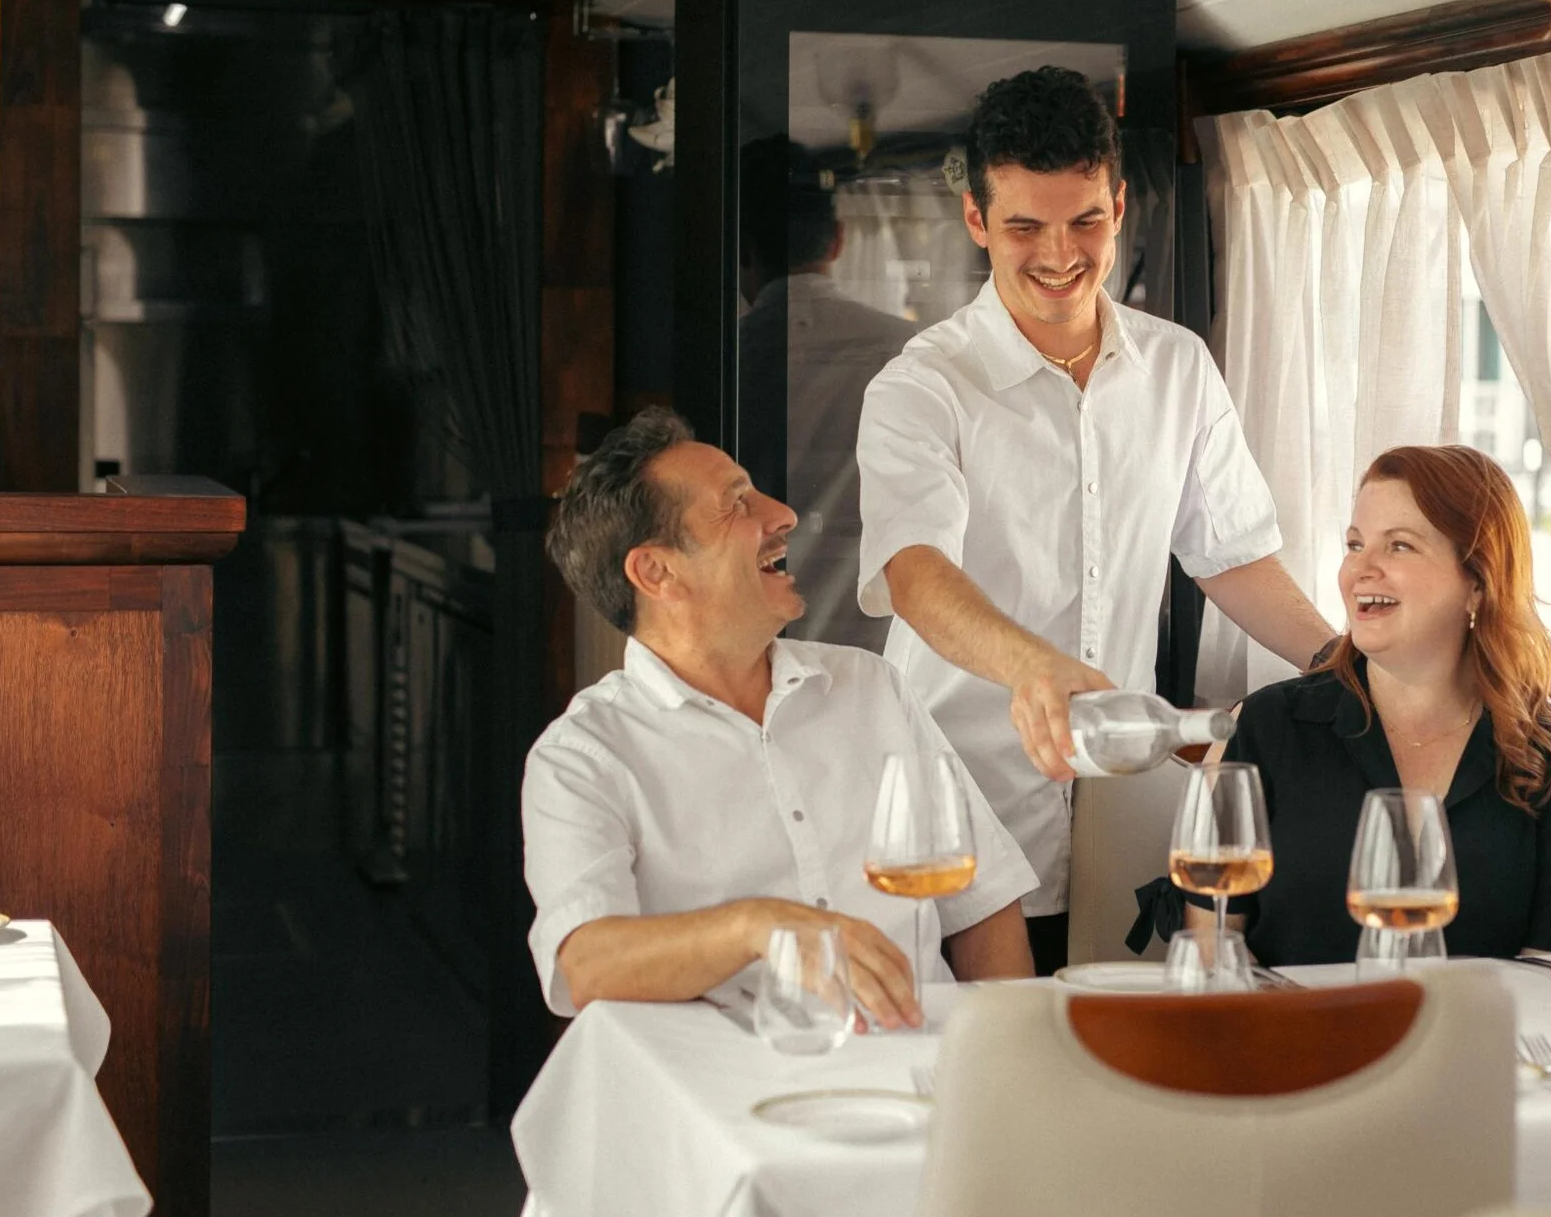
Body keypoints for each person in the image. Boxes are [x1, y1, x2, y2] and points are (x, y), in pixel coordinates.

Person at [857, 67, 1334, 973]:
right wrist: (1036, 668)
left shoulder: (1178, 367)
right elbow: (915, 574)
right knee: (977, 1086)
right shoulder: (921, 387)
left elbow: (1230, 556)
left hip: (1123, 808)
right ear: (975, 221)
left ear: (1120, 204)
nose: (1058, 253)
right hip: (963, 815)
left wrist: (1342, 664)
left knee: (1113, 1074)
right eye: (1024, 226)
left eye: (1085, 221)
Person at [525, 407, 1036, 1030]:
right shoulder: (583, 757)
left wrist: (1013, 1056)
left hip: (917, 1075)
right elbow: (585, 965)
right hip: (727, 1098)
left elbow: (981, 907)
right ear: (656, 571)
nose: (783, 515)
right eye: (736, 504)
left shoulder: (872, 688)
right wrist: (756, 925)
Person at [1176, 444, 1551, 966]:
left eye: (1399, 546)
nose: (1362, 568)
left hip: (1477, 1044)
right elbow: (1212, 948)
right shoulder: (1267, 727)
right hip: (1290, 1040)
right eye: (1355, 544)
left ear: (1477, 581)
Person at [737, 176, 919, 653]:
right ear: (838, 240)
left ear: (743, 252)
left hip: (751, 636)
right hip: (880, 636)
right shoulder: (911, 352)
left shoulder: (724, 359)